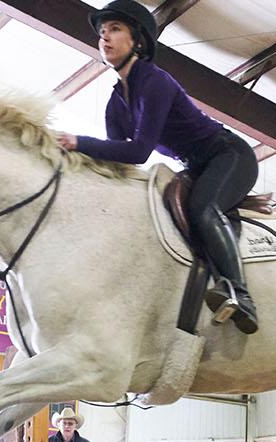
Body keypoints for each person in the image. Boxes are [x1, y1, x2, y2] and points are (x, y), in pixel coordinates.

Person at [56, 0, 261, 334]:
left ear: (138, 41)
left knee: (203, 209)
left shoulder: (155, 81)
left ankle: (240, 293)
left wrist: (77, 142)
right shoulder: (115, 102)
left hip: (228, 156)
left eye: (115, 29)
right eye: (102, 32)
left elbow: (138, 152)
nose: (104, 38)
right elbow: (116, 159)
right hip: (195, 166)